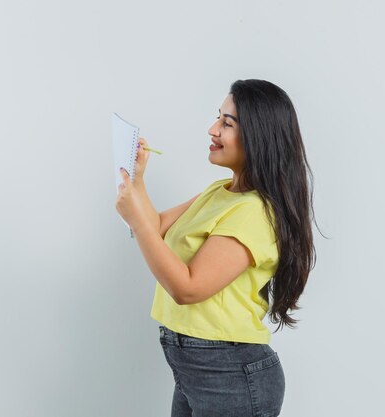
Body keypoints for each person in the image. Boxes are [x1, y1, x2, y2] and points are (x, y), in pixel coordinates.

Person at [115, 79, 318, 417]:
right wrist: (137, 180)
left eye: (227, 123)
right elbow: (158, 228)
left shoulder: (254, 212)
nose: (212, 129)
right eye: (217, 118)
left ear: (258, 135)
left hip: (231, 376)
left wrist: (136, 221)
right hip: (196, 371)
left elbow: (188, 288)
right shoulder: (219, 191)